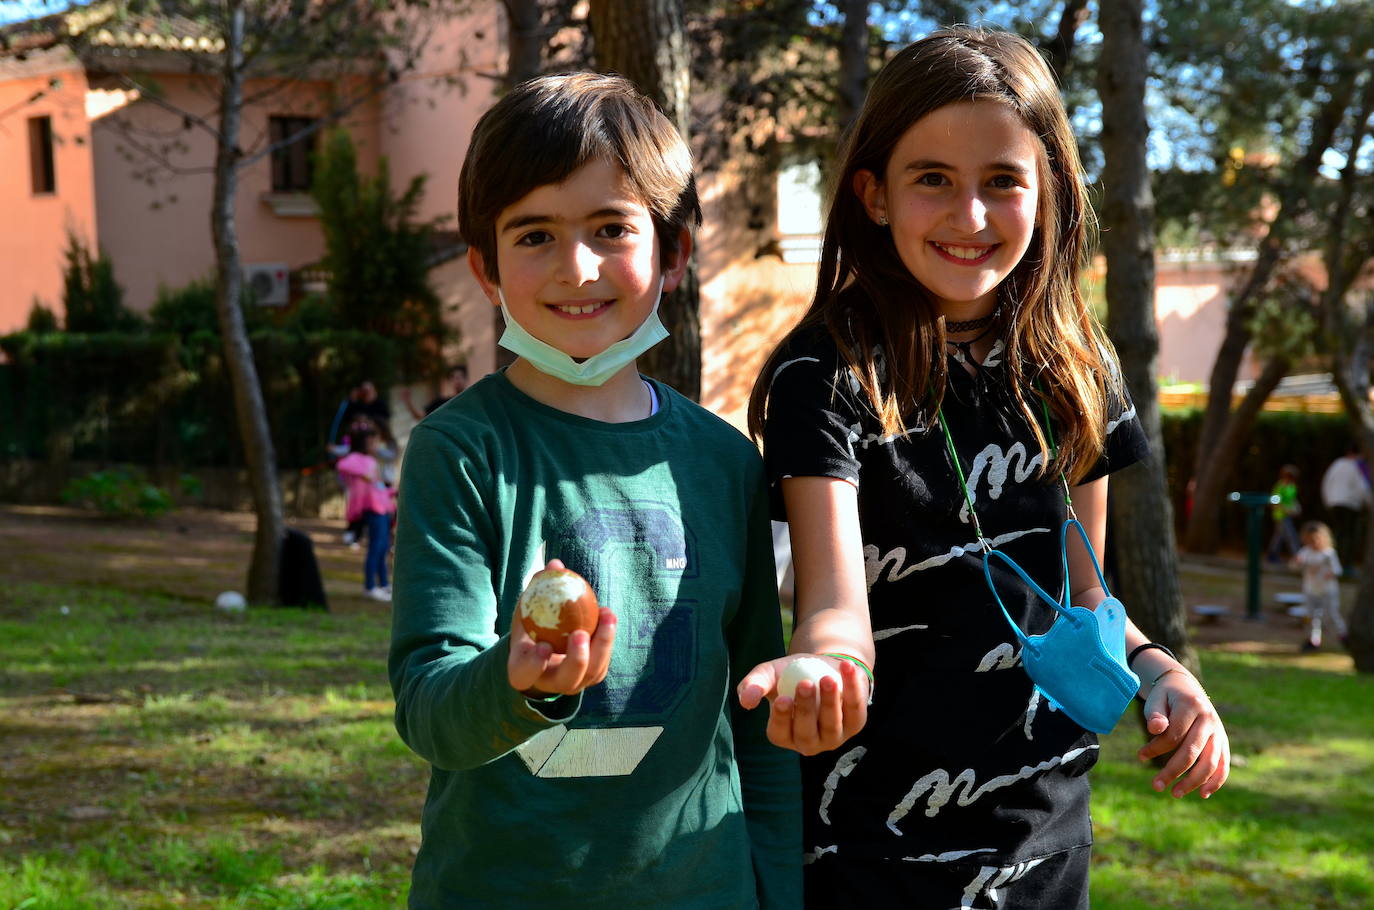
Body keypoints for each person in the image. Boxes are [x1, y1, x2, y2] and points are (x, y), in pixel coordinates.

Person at [744, 28, 1230, 908]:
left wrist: (1162, 669)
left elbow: (1084, 603)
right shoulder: (824, 376)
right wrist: (823, 667)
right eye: (933, 178)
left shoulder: (1079, 369)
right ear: (875, 194)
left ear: (1048, 192)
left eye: (1003, 181)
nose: (970, 217)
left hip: (1044, 842)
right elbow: (830, 607)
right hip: (873, 852)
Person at [388, 73, 800, 909]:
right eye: (534, 234)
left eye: (611, 228)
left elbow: (760, 722)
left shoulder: (728, 463)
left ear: (674, 253)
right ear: (484, 268)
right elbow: (428, 707)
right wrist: (514, 685)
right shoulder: (459, 453)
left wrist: (781, 890)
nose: (576, 267)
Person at [336, 426, 395, 601]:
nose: (375, 445)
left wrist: (392, 492)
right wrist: (364, 472)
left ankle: (384, 584)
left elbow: (377, 486)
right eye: (372, 442)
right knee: (375, 547)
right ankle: (370, 587)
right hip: (371, 508)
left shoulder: (371, 460)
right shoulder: (355, 459)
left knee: (383, 547)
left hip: (383, 508)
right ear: (363, 443)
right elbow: (342, 465)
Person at [1296, 521, 1347, 652]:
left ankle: (1343, 636)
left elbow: (1337, 570)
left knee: (1331, 615)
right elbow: (1295, 565)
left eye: (1315, 539)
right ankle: (1313, 640)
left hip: (1327, 590)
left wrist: (1329, 574)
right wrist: (1297, 563)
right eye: (1309, 540)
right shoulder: (1305, 552)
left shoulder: (1328, 554)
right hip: (1310, 589)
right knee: (1312, 616)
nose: (1313, 543)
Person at [1320, 443, 1370, 573]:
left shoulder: (1336, 464)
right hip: (1350, 505)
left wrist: (1328, 501)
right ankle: (1345, 565)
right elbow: (1362, 488)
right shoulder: (1357, 466)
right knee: (1349, 535)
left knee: (1338, 533)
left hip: (1334, 503)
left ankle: (1334, 563)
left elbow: (1326, 482)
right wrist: (1369, 503)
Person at [401, 364, 470, 421]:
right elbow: (421, 417)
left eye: (461, 376)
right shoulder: (441, 403)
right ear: (450, 380)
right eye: (454, 377)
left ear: (466, 379)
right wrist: (408, 402)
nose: (457, 380)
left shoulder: (472, 403)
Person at [1267, 464, 1302, 564]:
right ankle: (1297, 557)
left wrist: (1296, 508)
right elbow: (1274, 501)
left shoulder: (1292, 486)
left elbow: (1292, 500)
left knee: (1279, 536)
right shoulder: (1280, 486)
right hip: (1280, 515)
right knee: (1291, 535)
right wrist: (1284, 509)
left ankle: (1272, 555)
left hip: (1288, 515)